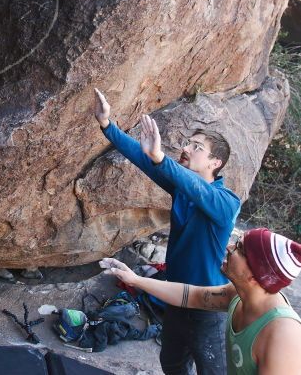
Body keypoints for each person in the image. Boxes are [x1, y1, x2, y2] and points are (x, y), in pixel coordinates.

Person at [92, 89, 241, 374]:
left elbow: (193, 185)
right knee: (171, 364)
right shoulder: (182, 190)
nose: (186, 149)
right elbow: (142, 157)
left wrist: (160, 156)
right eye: (188, 143)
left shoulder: (226, 203)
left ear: (215, 163)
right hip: (173, 298)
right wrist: (107, 125)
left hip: (206, 307)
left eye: (197, 147)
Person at [100, 228, 301, 374]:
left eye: (240, 249)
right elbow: (192, 295)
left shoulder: (282, 336)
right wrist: (135, 280)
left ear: (257, 275)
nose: (230, 247)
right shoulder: (239, 295)